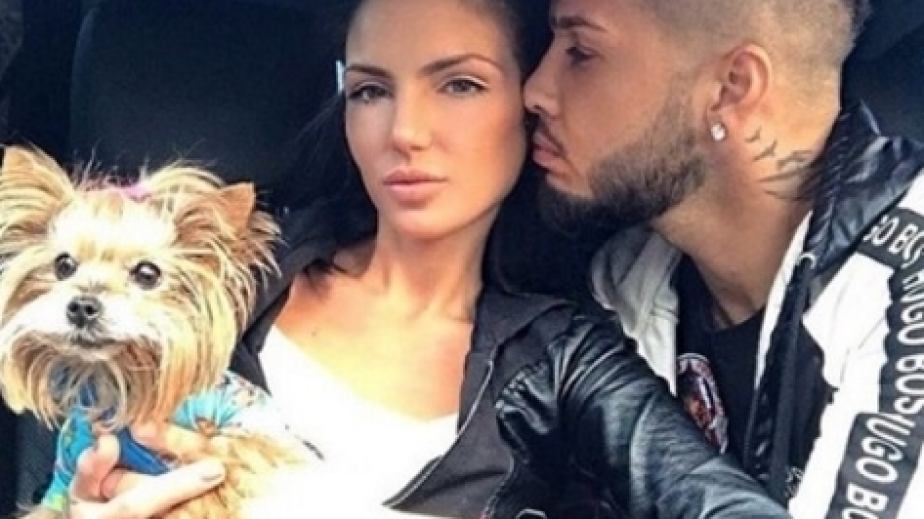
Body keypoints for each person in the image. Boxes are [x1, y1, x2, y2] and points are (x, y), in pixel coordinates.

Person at [29, 0, 793, 518]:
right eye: (370, 91)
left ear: (529, 102)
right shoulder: (221, 268)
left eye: (459, 83)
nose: (405, 131)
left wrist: (313, 504)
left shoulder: (563, 357)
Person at [524, 0, 924, 516]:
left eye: (581, 51)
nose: (535, 91)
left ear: (731, 87)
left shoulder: (905, 285)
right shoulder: (623, 282)